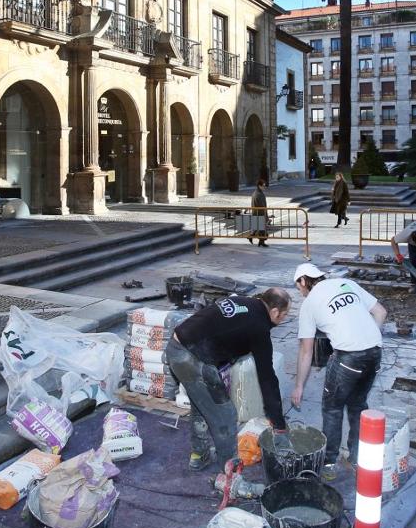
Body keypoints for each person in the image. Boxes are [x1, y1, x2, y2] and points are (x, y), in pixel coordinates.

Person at [166, 289, 291, 471]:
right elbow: (267, 379)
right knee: (226, 416)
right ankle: (230, 478)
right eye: (285, 314)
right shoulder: (259, 327)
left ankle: (199, 455)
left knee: (202, 405)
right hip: (193, 358)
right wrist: (279, 425)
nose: (284, 319)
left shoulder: (244, 302)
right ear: (274, 311)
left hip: (176, 348)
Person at [290, 263, 387, 473]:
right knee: (358, 404)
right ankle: (358, 458)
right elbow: (380, 312)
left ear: (304, 281)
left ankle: (329, 462)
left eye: (299, 289)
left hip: (348, 358)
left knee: (332, 408)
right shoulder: (346, 283)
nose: (301, 293)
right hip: (375, 353)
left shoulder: (309, 304)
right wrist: (366, 338)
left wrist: (299, 386)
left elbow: (306, 351)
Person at [248, 178, 268, 247]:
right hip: (259, 213)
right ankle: (253, 237)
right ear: (259, 186)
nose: (264, 187)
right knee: (261, 229)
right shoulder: (258, 194)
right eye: (263, 186)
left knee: (261, 229)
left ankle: (260, 241)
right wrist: (265, 215)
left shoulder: (258, 193)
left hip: (258, 213)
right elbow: (262, 206)